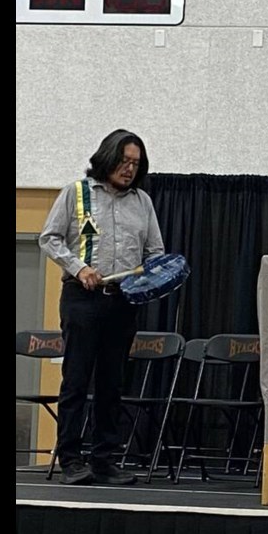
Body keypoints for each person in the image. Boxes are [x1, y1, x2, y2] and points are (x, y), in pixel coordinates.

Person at [39, 129, 165, 485]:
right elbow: (48, 238)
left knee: (112, 383)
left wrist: (149, 279)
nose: (128, 169)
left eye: (135, 164)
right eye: (124, 161)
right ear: (107, 157)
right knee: (76, 380)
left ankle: (105, 459)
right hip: (82, 299)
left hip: (122, 301)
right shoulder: (76, 193)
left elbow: (155, 252)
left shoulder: (142, 202)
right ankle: (71, 459)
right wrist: (79, 268)